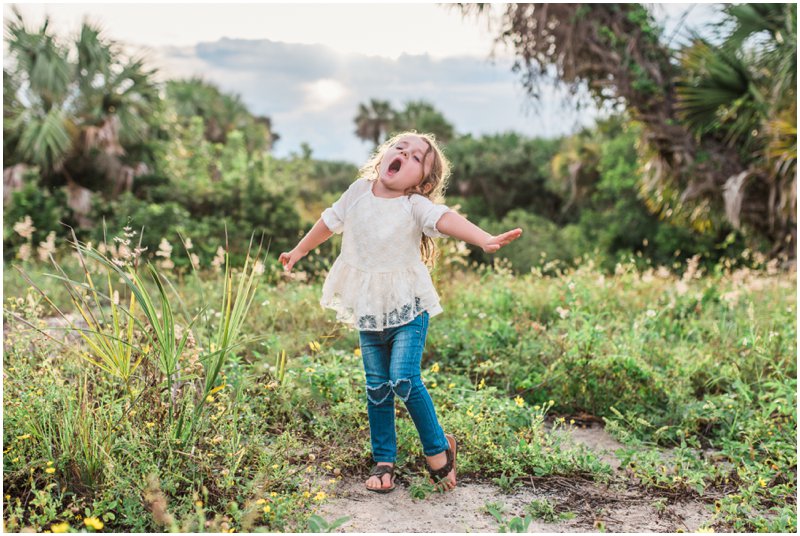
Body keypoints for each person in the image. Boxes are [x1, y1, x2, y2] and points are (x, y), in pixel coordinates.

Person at [279, 131, 522, 493]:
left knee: (404, 379)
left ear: (423, 183)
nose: (404, 155)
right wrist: (298, 251)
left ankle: (438, 451)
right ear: (384, 154)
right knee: (377, 388)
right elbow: (329, 222)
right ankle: (384, 462)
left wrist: (483, 238)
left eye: (415, 157)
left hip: (409, 309)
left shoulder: (414, 205)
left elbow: (445, 219)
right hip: (369, 309)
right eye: (400, 148)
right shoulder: (359, 192)